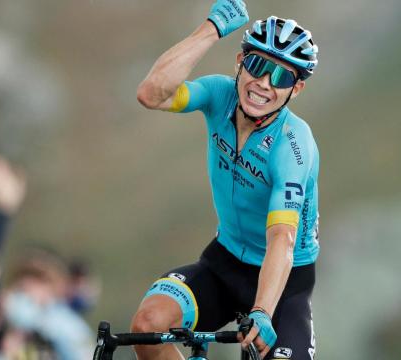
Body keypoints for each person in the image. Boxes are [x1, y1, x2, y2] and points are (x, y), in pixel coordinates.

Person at [132, 1, 320, 359]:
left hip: (282, 284)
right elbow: (151, 94)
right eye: (257, 65)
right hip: (224, 262)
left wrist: (262, 310)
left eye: (281, 77)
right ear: (239, 63)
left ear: (295, 90)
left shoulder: (294, 144)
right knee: (147, 326)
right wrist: (210, 29)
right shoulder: (219, 95)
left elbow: (282, 236)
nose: (263, 84)